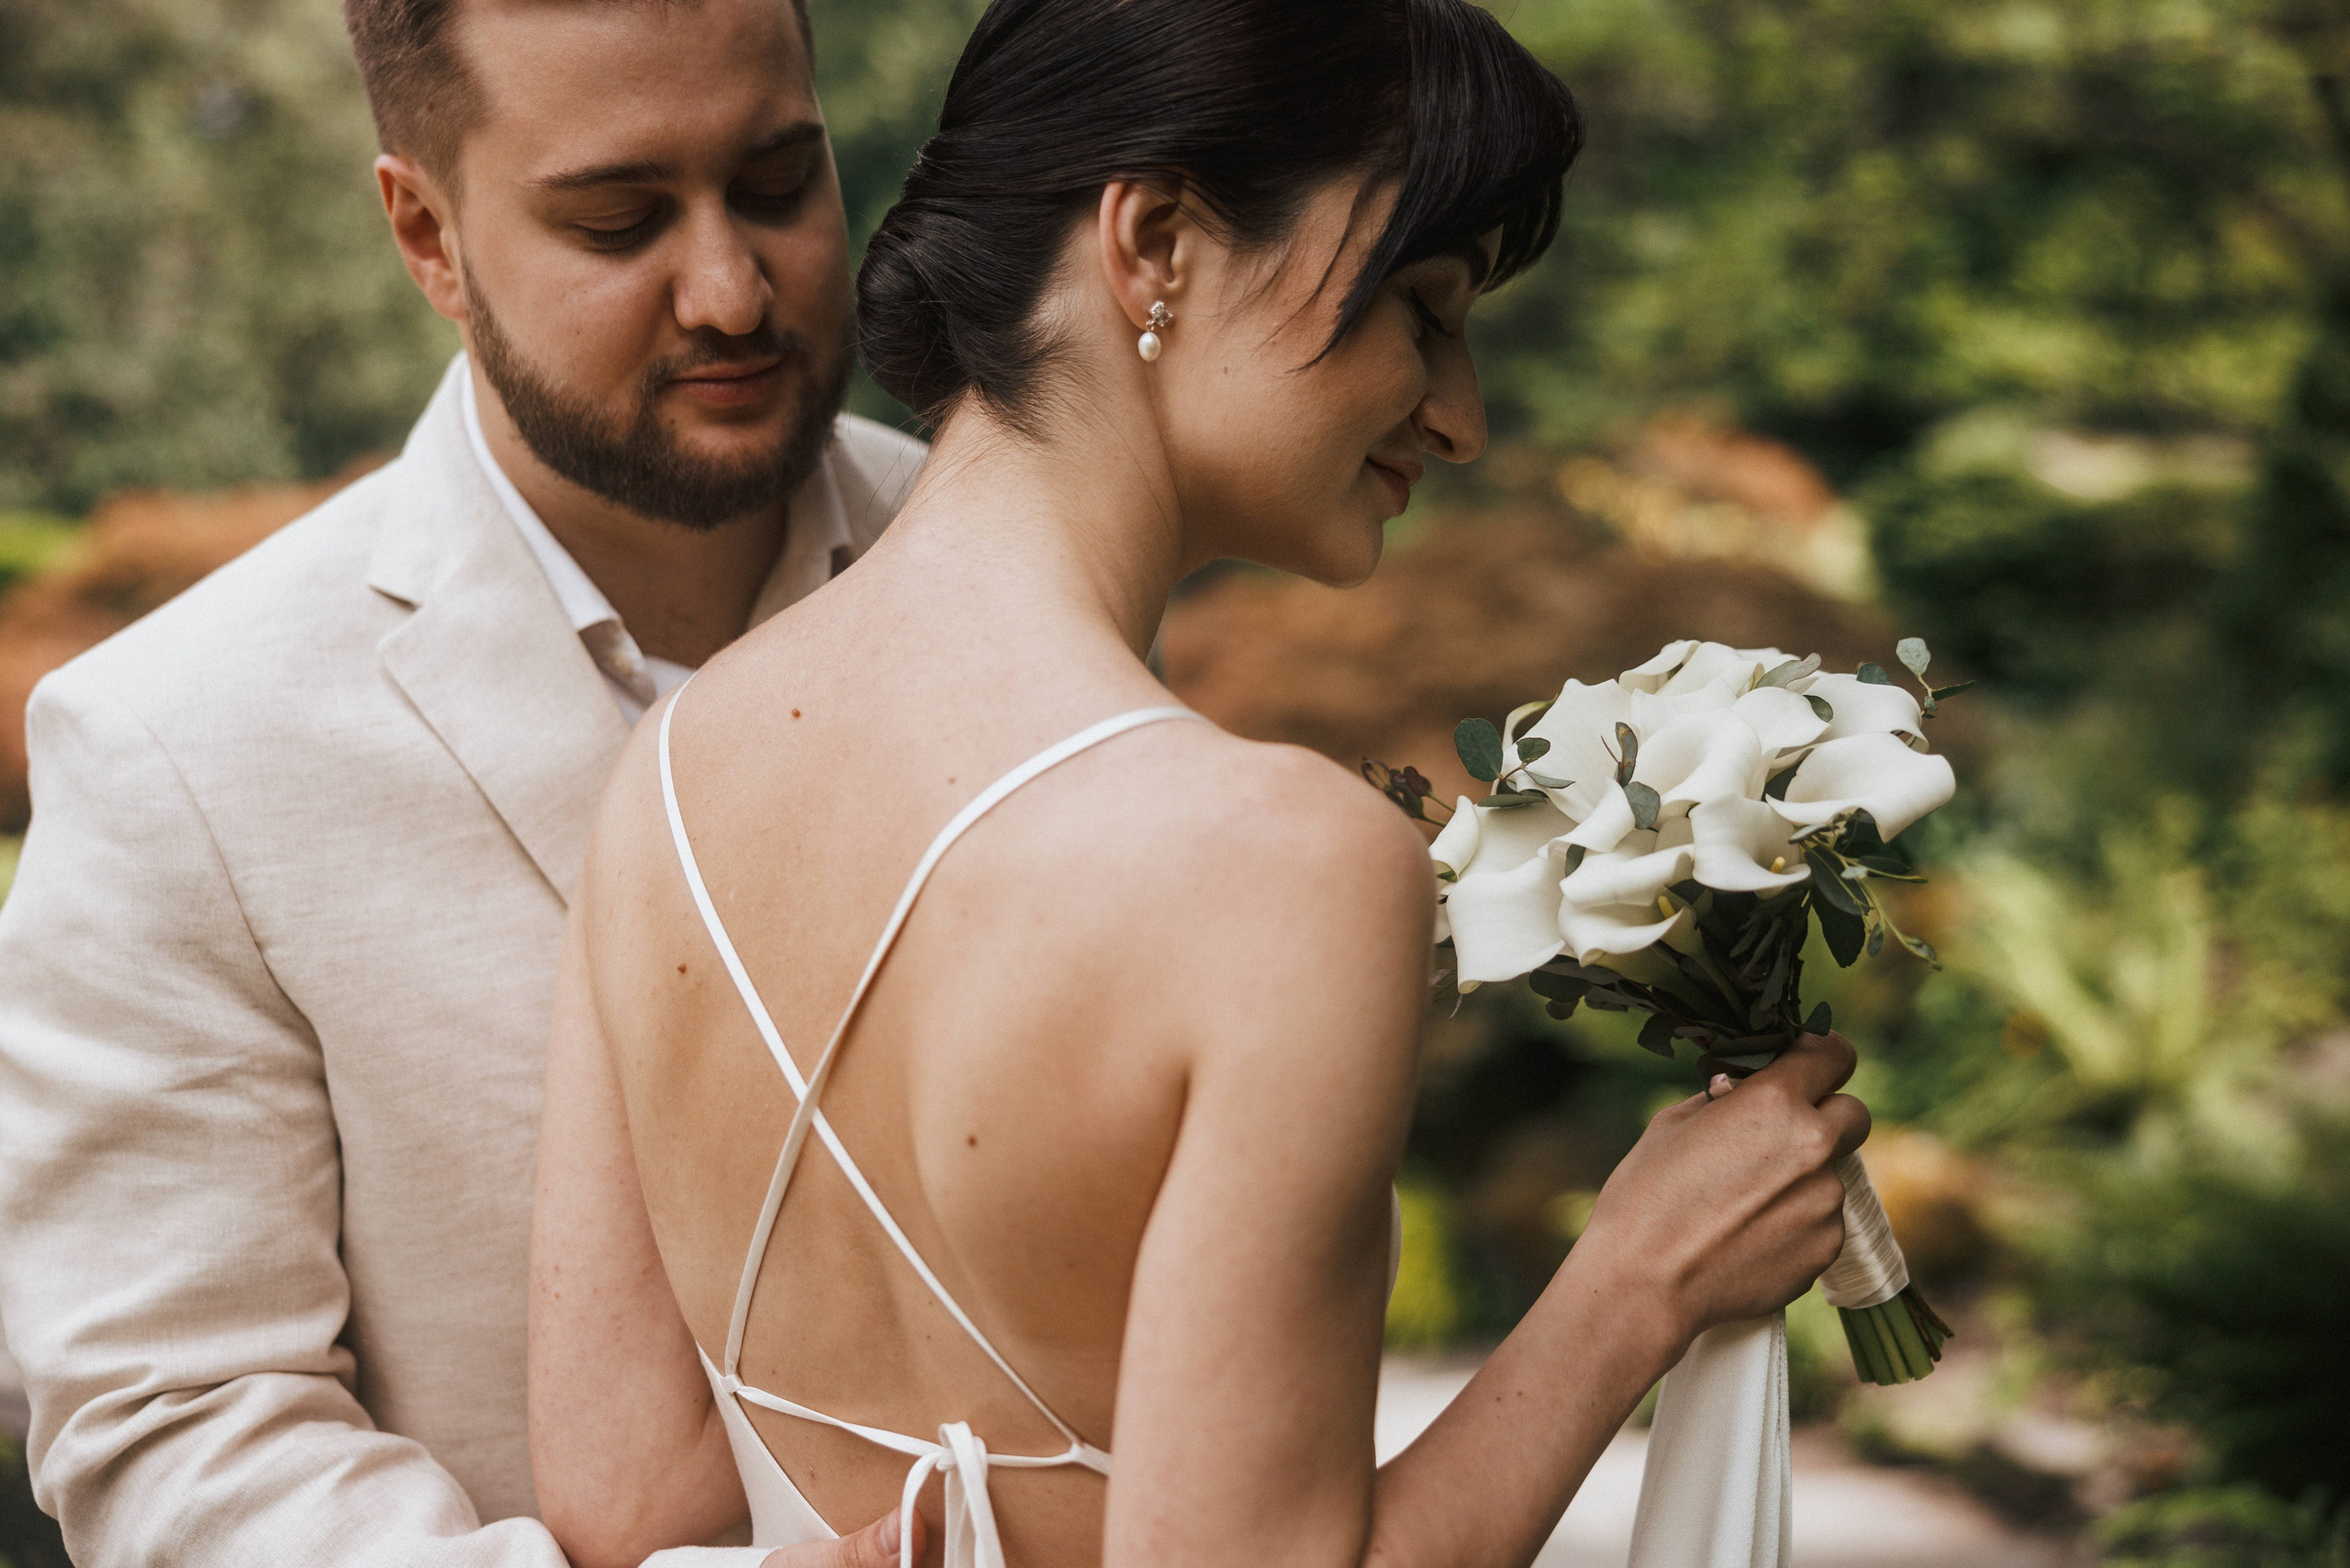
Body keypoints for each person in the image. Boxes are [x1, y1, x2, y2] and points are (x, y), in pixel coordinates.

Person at [529, 0, 1874, 1564]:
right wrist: (1639, 1280)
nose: (1464, 414)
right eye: (1419, 309)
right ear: (1156, 240)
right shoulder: (1281, 867)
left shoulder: (662, 787)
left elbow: (626, 1500)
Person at [0, 0, 928, 1562]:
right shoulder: (171, 745)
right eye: (622, 220)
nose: (730, 288)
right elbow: (182, 1431)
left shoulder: (1003, 559)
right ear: (426, 234)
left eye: (779, 185)